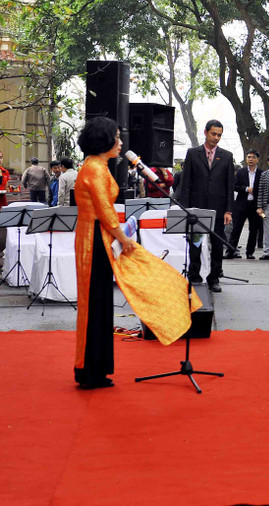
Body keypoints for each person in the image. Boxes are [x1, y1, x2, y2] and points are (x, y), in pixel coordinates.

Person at [73, 116, 194, 388]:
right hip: (94, 240)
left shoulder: (97, 166)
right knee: (95, 303)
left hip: (98, 237)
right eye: (116, 137)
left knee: (100, 303)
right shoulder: (95, 168)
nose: (120, 143)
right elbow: (105, 211)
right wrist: (123, 239)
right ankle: (90, 371)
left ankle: (94, 369)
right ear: (103, 139)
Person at [179, 120, 234, 292]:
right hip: (196, 208)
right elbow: (186, 183)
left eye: (219, 135)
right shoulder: (193, 153)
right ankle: (194, 276)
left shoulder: (226, 156)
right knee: (195, 244)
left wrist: (228, 210)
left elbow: (229, 185)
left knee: (217, 245)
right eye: (213, 134)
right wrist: (186, 208)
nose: (216, 138)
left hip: (218, 209)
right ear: (205, 132)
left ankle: (214, 278)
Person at [226, 150, 262, 260]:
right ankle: (230, 251)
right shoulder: (241, 172)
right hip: (241, 204)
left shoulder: (261, 173)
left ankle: (250, 252)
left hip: (255, 205)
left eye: (253, 157)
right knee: (236, 228)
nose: (251, 159)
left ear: (257, 159)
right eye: (249, 157)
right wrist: (246, 189)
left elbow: (263, 188)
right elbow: (235, 186)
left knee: (253, 229)